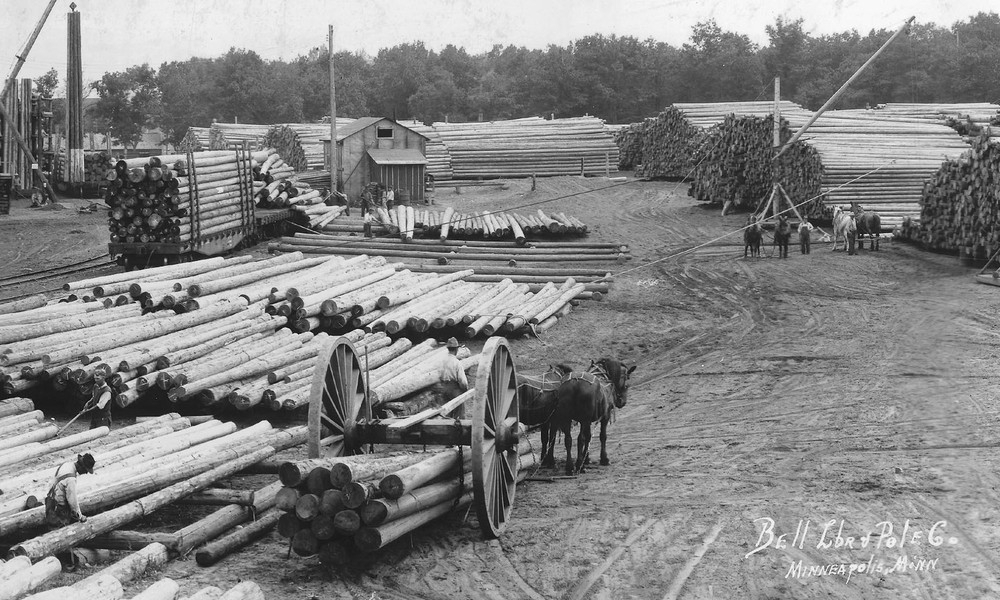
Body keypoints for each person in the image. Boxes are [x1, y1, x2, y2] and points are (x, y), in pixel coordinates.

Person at [45, 453, 95, 571]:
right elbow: (73, 501)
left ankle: (58, 561)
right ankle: (65, 564)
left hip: (51, 501)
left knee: (54, 532)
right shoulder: (71, 478)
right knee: (63, 534)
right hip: (58, 507)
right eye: (86, 470)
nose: (86, 473)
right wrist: (80, 516)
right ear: (82, 467)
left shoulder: (66, 465)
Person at [433, 337, 469, 404]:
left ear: (448, 349)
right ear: (456, 349)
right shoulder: (456, 363)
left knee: (444, 411)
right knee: (459, 410)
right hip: (454, 390)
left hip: (443, 389)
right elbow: (463, 382)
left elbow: (438, 376)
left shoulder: (441, 361)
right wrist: (465, 390)